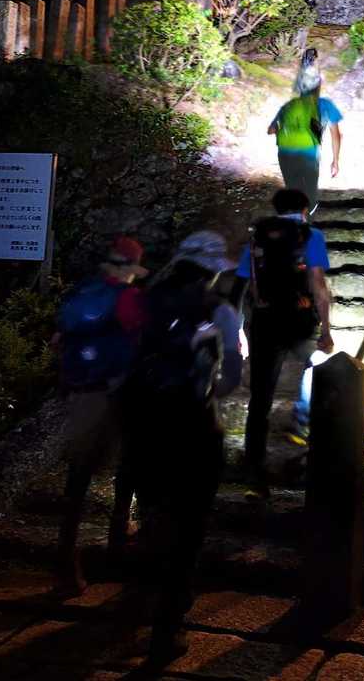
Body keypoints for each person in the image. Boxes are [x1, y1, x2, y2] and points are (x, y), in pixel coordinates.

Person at [122, 230, 243, 665]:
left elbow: (125, 357)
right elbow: (232, 374)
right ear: (212, 271)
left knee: (155, 513)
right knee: (189, 524)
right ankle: (168, 625)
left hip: (145, 424)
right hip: (194, 425)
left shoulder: (144, 301)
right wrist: (212, 392)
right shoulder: (221, 311)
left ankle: (141, 596)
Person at [52, 236, 149, 596]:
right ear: (131, 269)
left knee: (78, 478)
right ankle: (118, 538)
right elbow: (143, 344)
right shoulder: (130, 298)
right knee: (130, 465)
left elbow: (58, 340)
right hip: (119, 394)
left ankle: (66, 563)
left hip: (82, 394)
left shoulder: (82, 292)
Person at [231, 188, 334, 498]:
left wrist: (237, 329)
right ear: (305, 210)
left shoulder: (258, 238)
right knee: (318, 366)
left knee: (260, 400)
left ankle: (254, 476)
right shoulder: (311, 235)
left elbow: (242, 284)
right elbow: (318, 284)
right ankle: (302, 425)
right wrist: (326, 328)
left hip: (264, 322)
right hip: (300, 320)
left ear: (276, 209)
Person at [267, 48, 342, 210]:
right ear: (318, 86)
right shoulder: (325, 105)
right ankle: (307, 216)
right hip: (308, 152)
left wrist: (287, 130)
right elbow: (336, 135)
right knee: (309, 191)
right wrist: (335, 161)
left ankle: (293, 216)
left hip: (285, 152)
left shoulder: (289, 106)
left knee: (292, 189)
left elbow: (270, 130)